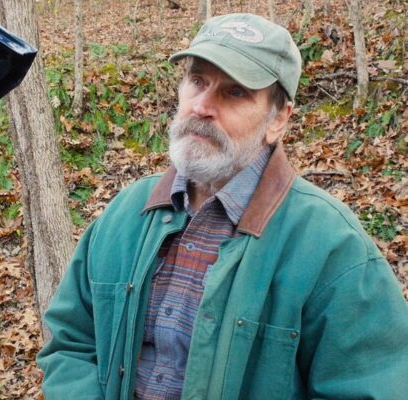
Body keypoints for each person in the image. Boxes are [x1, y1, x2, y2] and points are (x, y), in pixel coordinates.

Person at [36, 13, 408, 400]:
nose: (201, 106)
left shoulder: (332, 246)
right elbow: (71, 343)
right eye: (198, 81)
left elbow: (370, 389)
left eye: (234, 92)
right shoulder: (127, 214)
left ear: (278, 119)